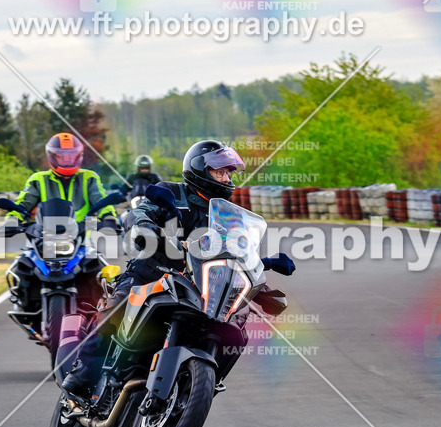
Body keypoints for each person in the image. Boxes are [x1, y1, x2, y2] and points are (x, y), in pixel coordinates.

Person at [64, 139, 295, 399]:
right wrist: (144, 225)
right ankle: (84, 371)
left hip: (203, 287)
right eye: (219, 170)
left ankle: (200, 385)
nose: (226, 177)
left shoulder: (230, 217)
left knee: (237, 329)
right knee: (119, 303)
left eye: (229, 172)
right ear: (198, 169)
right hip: (152, 272)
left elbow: (239, 257)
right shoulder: (170, 192)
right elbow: (141, 212)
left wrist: (260, 284)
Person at [3, 133, 119, 320]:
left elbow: (102, 200)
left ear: (79, 156)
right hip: (44, 235)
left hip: (80, 235)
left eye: (71, 155)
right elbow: (23, 203)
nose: (67, 160)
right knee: (22, 265)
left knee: (101, 269)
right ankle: (22, 303)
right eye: (62, 156)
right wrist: (12, 219)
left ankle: (106, 306)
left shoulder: (89, 178)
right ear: (52, 156)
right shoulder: (38, 179)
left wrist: (109, 218)